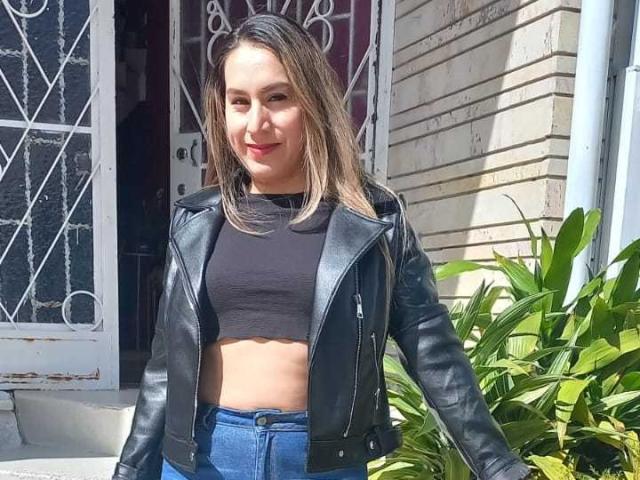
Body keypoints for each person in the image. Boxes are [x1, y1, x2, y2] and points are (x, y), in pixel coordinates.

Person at [112, 13, 531, 480]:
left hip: (320, 463)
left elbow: (432, 348)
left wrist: (499, 465)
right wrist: (131, 469)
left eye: (277, 97)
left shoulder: (373, 221)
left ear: (311, 101)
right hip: (201, 458)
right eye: (239, 102)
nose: (256, 123)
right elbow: (165, 364)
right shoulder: (195, 221)